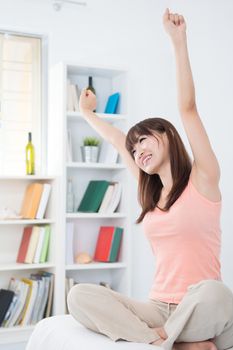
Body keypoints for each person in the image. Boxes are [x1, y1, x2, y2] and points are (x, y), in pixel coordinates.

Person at [67, 8, 233, 350]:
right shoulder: (150, 193)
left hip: (200, 305)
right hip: (157, 308)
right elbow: (116, 138)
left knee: (216, 292)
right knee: (79, 296)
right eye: (135, 146)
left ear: (168, 136)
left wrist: (178, 41)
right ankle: (173, 342)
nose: (137, 149)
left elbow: (188, 108)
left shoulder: (204, 179)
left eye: (144, 139)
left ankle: (176, 338)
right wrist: (86, 113)